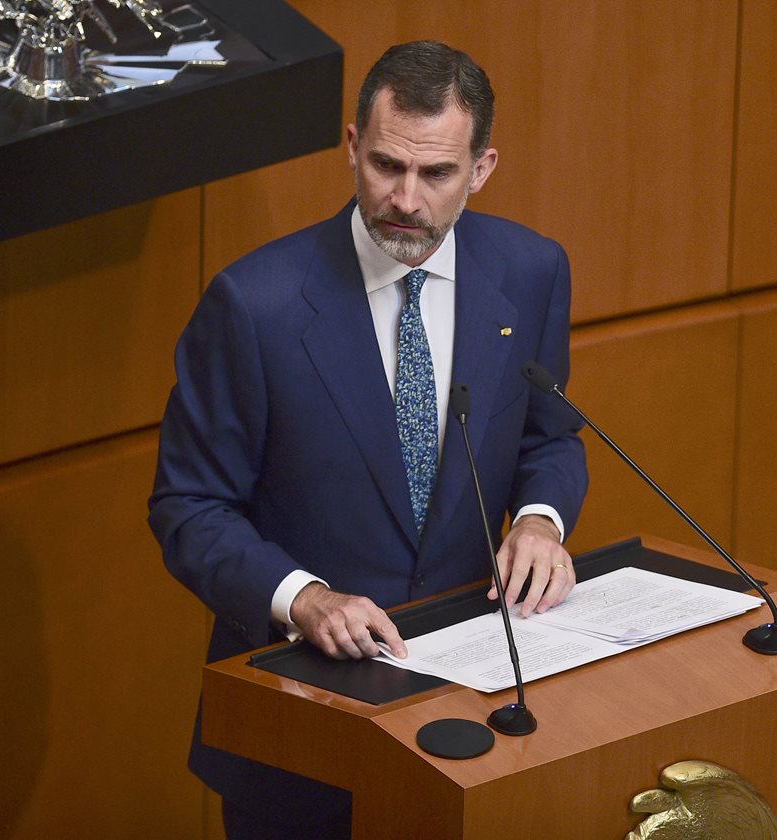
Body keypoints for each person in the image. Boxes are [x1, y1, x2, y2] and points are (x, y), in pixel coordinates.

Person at [148, 40, 588, 838]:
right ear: (352, 147)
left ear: (482, 169)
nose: (406, 199)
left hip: (478, 708)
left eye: (437, 174)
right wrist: (302, 598)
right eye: (387, 165)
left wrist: (539, 521)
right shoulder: (256, 305)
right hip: (300, 724)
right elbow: (189, 507)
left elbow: (551, 439)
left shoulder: (531, 272)